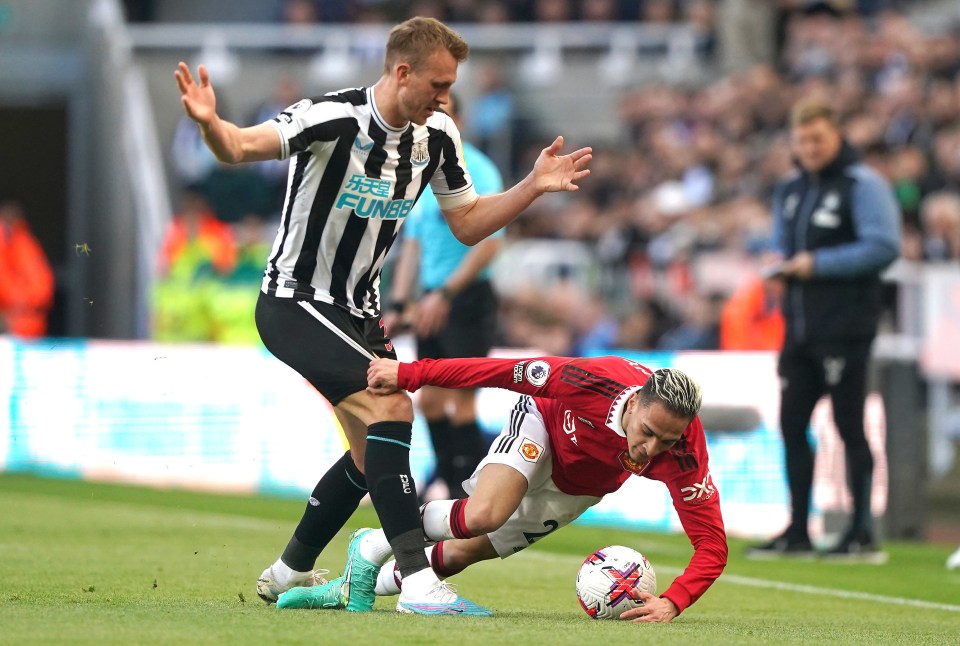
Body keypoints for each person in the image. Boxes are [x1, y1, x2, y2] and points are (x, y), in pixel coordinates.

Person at [174, 16, 592, 617]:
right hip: (296, 301)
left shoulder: (439, 135)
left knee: (373, 452)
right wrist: (211, 124)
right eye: (438, 84)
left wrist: (530, 186)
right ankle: (418, 584)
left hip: (360, 313)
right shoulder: (331, 117)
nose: (447, 98)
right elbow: (239, 147)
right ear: (402, 72)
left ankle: (287, 571)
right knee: (393, 405)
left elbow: (468, 222)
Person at [278, 355, 727, 623]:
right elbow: (502, 371)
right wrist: (411, 374)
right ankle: (375, 541)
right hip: (542, 424)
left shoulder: (684, 453)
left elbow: (712, 545)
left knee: (460, 553)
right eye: (647, 431)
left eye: (666, 440)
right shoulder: (591, 380)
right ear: (634, 402)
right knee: (485, 513)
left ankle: (351, 585)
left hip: (578, 488)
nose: (652, 449)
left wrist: (673, 601)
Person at [747, 100, 900, 561]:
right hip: (798, 328)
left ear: (837, 136)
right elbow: (783, 244)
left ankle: (861, 532)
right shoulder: (790, 188)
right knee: (793, 424)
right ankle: (798, 530)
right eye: (803, 140)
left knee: (848, 424)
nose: (810, 148)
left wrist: (817, 265)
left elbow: (884, 246)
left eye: (818, 139)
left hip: (847, 326)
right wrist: (776, 262)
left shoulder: (863, 184)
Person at [384, 92, 504, 500]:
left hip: (466, 298)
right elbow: (412, 246)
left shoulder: (479, 171)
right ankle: (451, 485)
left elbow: (490, 244)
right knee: (431, 400)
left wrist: (447, 294)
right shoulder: (421, 170)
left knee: (462, 401)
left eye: (445, 115)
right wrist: (400, 303)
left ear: (461, 123)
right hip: (432, 299)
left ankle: (468, 496)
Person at [0, 200, 55, 338]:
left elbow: (41, 291)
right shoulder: (18, 245)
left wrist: (15, 303)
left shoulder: (23, 246)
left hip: (21, 327)